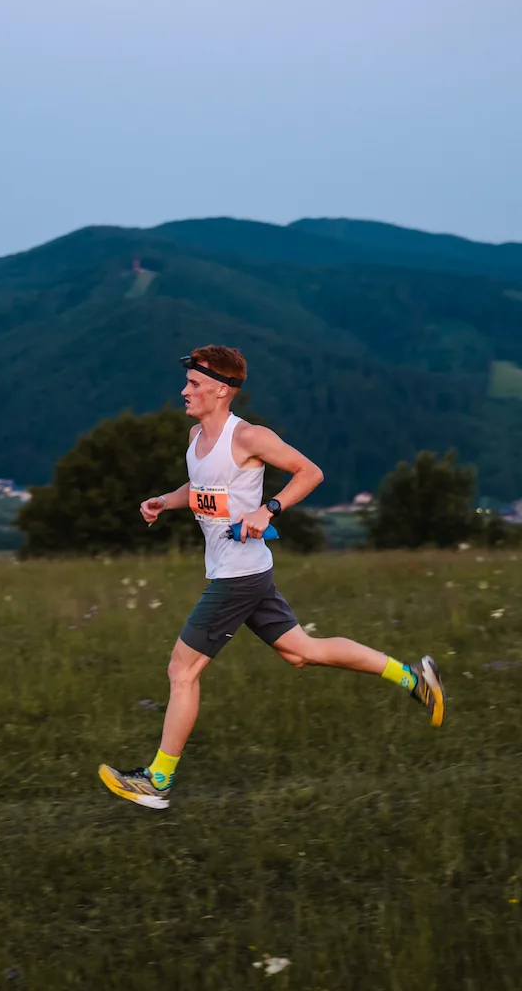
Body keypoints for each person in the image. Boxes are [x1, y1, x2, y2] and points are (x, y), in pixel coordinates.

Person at [98, 346, 446, 810]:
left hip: (238, 577)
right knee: (304, 652)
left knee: (181, 671)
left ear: (221, 390)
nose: (184, 391)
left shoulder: (249, 437)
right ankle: (414, 679)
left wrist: (269, 508)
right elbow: (201, 489)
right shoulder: (196, 437)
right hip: (247, 572)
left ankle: (157, 781)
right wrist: (165, 500)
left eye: (194, 385)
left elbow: (310, 472)